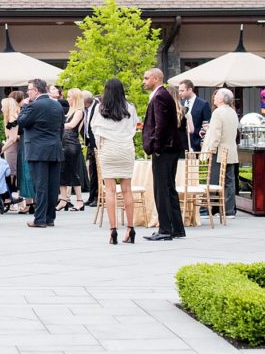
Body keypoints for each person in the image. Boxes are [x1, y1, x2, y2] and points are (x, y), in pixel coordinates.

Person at [90, 78, 139, 245]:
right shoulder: (130, 107)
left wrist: (101, 146)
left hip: (108, 149)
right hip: (126, 149)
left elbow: (94, 129)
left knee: (110, 191)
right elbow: (135, 127)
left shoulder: (100, 108)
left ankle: (113, 230)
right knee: (127, 190)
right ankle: (131, 229)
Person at [142, 67, 185, 241]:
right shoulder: (163, 95)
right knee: (169, 188)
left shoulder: (159, 96)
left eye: (146, 78)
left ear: (155, 79)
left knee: (162, 189)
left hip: (165, 150)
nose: (143, 81)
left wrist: (157, 147)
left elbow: (160, 126)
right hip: (170, 148)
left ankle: (166, 229)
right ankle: (177, 228)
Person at [17, 79, 64, 228]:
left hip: (37, 150)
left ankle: (40, 219)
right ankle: (50, 217)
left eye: (29, 90)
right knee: (52, 185)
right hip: (55, 149)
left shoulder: (34, 105)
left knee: (40, 185)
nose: (27, 93)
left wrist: (24, 107)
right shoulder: (57, 105)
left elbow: (22, 122)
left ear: (36, 90)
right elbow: (61, 128)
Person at [202, 87, 239, 218]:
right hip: (230, 150)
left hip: (218, 151)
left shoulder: (218, 112)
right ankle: (229, 211)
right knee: (229, 181)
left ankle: (210, 210)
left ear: (222, 99)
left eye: (216, 95)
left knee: (213, 180)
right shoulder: (233, 112)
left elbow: (216, 135)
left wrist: (208, 150)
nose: (214, 97)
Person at [58, 88, 87, 211]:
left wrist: (57, 125)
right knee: (62, 172)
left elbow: (71, 125)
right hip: (65, 144)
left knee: (73, 172)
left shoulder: (79, 111)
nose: (67, 99)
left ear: (75, 98)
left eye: (70, 97)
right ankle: (64, 199)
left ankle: (79, 200)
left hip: (71, 145)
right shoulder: (70, 111)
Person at [178, 80, 212, 153]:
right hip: (182, 144)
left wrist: (201, 141)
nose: (179, 93)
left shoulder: (203, 104)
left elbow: (206, 124)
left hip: (197, 144)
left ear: (190, 90)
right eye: (179, 91)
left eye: (182, 91)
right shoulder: (180, 103)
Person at [1, 91, 24, 195]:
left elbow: (12, 139)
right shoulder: (11, 117)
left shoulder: (12, 118)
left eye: (2, 107)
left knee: (12, 173)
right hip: (11, 147)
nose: (1, 109)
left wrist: (0, 150)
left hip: (12, 148)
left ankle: (12, 197)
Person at [82, 90, 99, 207]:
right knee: (92, 172)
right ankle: (91, 196)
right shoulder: (84, 109)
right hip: (89, 143)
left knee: (98, 172)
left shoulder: (98, 108)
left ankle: (97, 197)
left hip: (97, 144)